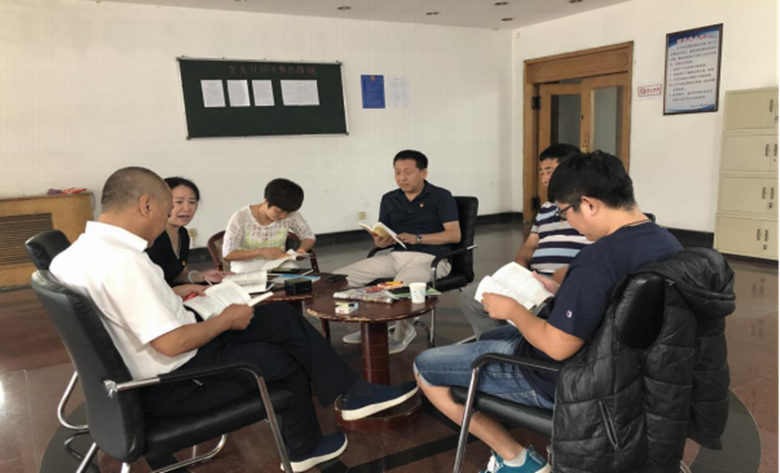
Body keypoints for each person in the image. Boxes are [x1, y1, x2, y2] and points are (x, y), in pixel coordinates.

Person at [51, 167, 419, 473]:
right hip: (171, 381)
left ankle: (352, 393)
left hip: (133, 372)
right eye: (165, 213)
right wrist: (226, 319)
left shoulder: (74, 254)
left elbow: (122, 312)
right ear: (145, 204)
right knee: (280, 358)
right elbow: (171, 344)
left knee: (277, 316)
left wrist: (173, 293)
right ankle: (304, 448)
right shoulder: (125, 262)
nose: (165, 223)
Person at [414, 152, 682, 473]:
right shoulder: (665, 241)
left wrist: (512, 309)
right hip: (630, 372)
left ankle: (516, 459)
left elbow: (557, 347)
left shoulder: (597, 259)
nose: (567, 222)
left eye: (565, 212)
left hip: (568, 379)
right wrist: (563, 292)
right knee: (492, 338)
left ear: (589, 204)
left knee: (425, 367)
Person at [336, 150, 461, 355]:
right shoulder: (389, 199)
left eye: (407, 172)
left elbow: (454, 235)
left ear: (424, 172)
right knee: (339, 279)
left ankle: (403, 333)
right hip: (395, 257)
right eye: (397, 172)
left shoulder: (441, 196)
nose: (401, 178)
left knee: (401, 287)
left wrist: (418, 238)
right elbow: (385, 233)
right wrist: (380, 240)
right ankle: (371, 325)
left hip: (432, 258)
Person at [461, 144, 589, 339]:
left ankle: (514, 344)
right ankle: (496, 345)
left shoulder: (588, 210)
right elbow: (529, 245)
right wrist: (519, 270)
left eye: (550, 171)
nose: (544, 179)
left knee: (533, 309)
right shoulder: (546, 209)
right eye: (542, 172)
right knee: (471, 296)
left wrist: (566, 276)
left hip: (563, 286)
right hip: (534, 280)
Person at [223, 178, 316, 273]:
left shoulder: (292, 216)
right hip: (246, 267)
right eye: (279, 211)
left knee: (295, 274)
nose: (283, 216)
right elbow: (228, 254)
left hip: (277, 263)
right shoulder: (241, 217)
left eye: (288, 212)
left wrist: (301, 249)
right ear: (266, 201)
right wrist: (261, 252)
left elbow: (308, 236)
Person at [146, 177, 226, 286]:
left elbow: (177, 275)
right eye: (179, 202)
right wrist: (177, 292)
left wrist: (201, 275)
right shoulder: (151, 237)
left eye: (192, 202)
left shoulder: (182, 234)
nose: (187, 208)